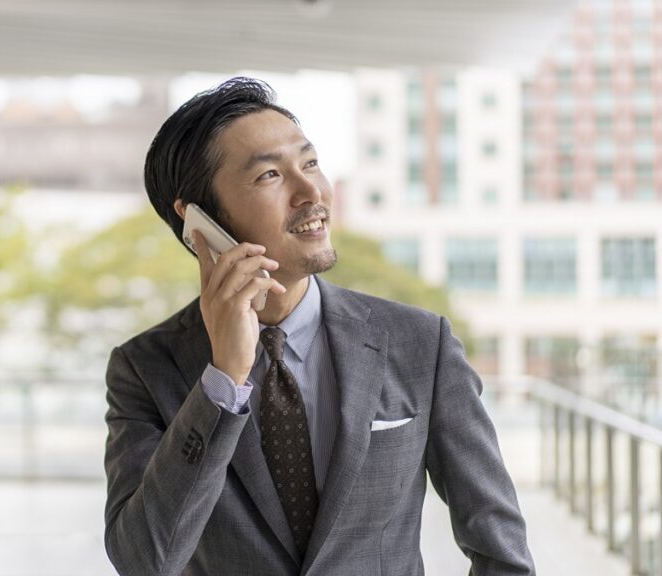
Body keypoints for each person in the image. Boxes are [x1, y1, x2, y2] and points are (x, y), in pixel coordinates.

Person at [103, 77, 535, 575]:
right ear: (197, 221)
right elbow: (144, 561)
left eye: (309, 163)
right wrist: (223, 379)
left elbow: (500, 548)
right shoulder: (144, 369)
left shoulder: (421, 344)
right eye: (269, 175)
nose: (312, 191)